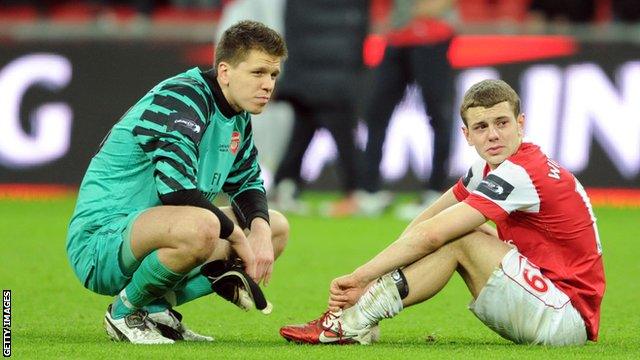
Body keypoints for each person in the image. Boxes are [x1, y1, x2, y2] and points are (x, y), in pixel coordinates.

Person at [280, 79, 605, 346]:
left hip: (565, 317)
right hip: (551, 300)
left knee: (458, 238)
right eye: (481, 126)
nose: (493, 134)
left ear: (521, 124)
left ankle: (352, 322)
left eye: (502, 123)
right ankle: (359, 318)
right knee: (460, 232)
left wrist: (360, 277)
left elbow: (435, 234)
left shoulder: (520, 171)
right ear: (467, 135)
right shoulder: (488, 167)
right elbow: (426, 220)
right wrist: (374, 278)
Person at [66, 20, 289, 344]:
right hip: (100, 243)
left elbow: (248, 182)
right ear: (225, 72)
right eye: (258, 73)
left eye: (273, 75)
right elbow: (177, 191)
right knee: (203, 226)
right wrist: (239, 239)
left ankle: (157, 307)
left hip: (155, 232)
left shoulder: (237, 113)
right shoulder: (183, 98)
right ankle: (123, 313)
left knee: (276, 227)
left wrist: (261, 232)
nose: (268, 84)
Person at [352, 0, 457, 219]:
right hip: (399, 36)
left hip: (432, 35)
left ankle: (435, 192)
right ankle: (369, 192)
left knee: (438, 114)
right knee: (376, 112)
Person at [268, 0, 369, 216]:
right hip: (335, 82)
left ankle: (284, 188)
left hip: (307, 80)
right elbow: (359, 33)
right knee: (340, 140)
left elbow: (290, 34)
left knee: (304, 136)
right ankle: (356, 193)